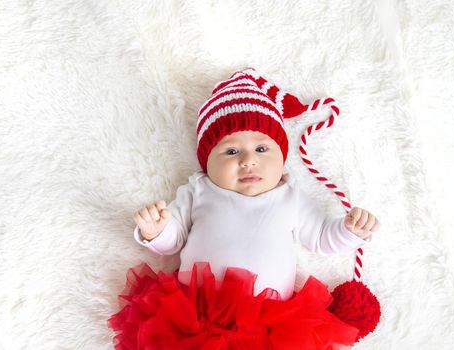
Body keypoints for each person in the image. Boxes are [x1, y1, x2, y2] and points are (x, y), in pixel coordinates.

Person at [108, 68, 381, 350]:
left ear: (282, 158)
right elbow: (174, 240)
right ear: (207, 162)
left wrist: (349, 231)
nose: (249, 160)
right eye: (231, 151)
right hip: (196, 319)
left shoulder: (291, 197)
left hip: (271, 325)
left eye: (262, 150)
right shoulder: (199, 190)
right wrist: (157, 230)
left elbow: (323, 239)